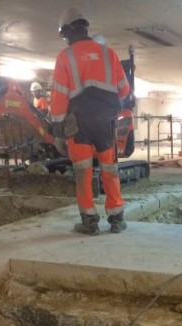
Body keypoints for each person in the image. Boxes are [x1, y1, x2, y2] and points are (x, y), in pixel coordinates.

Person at [50, 7, 129, 235]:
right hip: (106, 122)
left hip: (79, 124)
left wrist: (58, 130)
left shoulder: (65, 57)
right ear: (85, 27)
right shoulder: (108, 54)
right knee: (110, 170)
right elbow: (124, 90)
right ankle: (116, 220)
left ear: (67, 32)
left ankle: (90, 223)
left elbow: (59, 97)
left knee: (83, 172)